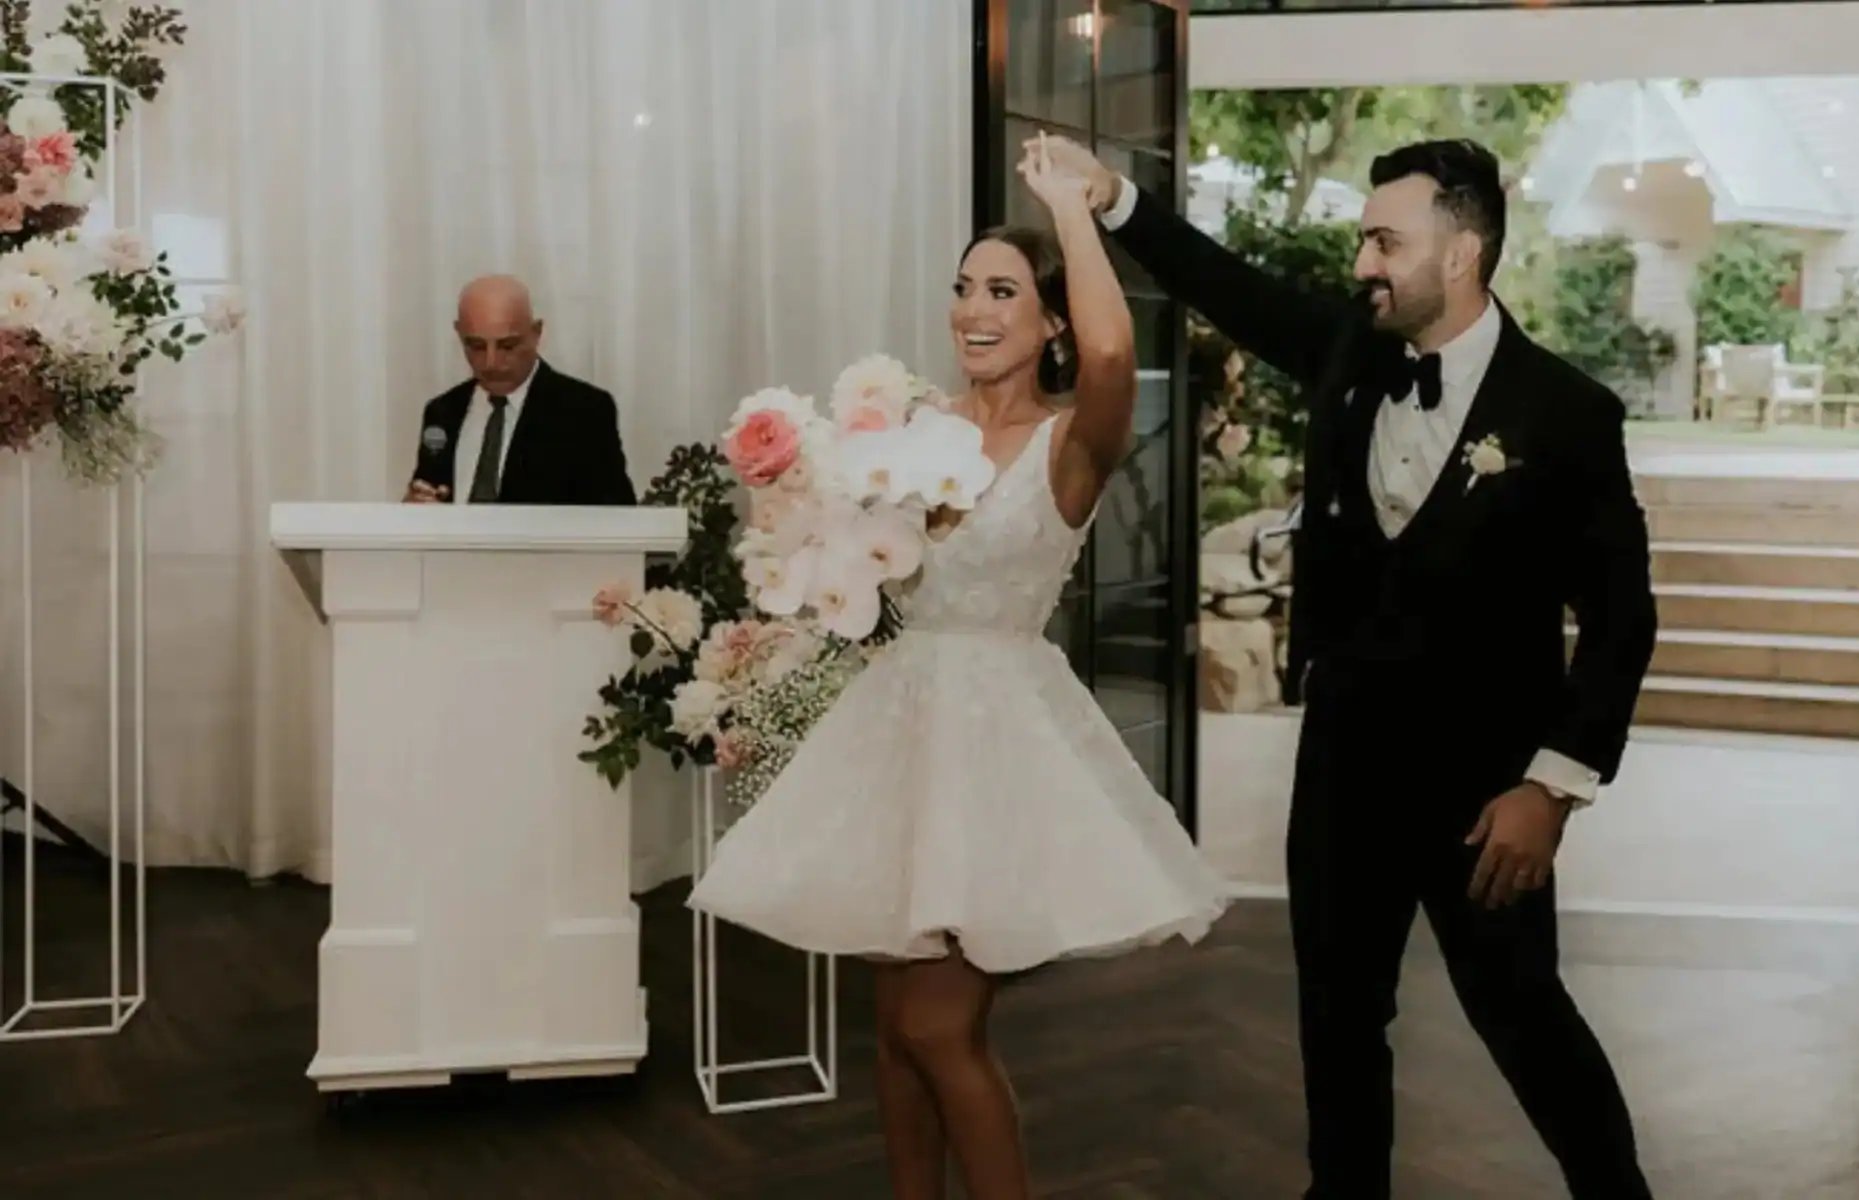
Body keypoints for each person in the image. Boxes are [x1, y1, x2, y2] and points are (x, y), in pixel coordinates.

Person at [1038, 133, 1660, 1198]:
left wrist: (1552, 787)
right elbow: (1228, 287)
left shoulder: (1565, 413)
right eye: (1365, 239)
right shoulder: (1349, 353)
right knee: (1335, 1019)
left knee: (1522, 1018)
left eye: (1386, 239)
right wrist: (1112, 201)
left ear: (1460, 253)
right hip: (1344, 767)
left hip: (1487, 792)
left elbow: (1620, 618)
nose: (1363, 261)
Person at [685, 136, 1229, 1200]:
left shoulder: (1071, 441)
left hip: (993, 746)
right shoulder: (914, 432)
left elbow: (1117, 360)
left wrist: (1073, 208)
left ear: (1052, 320)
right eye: (964, 287)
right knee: (895, 1028)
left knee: (940, 1026)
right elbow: (847, 567)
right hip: (897, 729)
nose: (972, 310)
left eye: (1004, 291)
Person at [403, 274, 636, 506]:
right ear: (458, 333)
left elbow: (617, 518)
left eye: (507, 346)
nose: (491, 363)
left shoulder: (584, 411)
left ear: (536, 333)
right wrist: (417, 512)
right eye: (476, 346)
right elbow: (429, 495)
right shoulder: (443, 412)